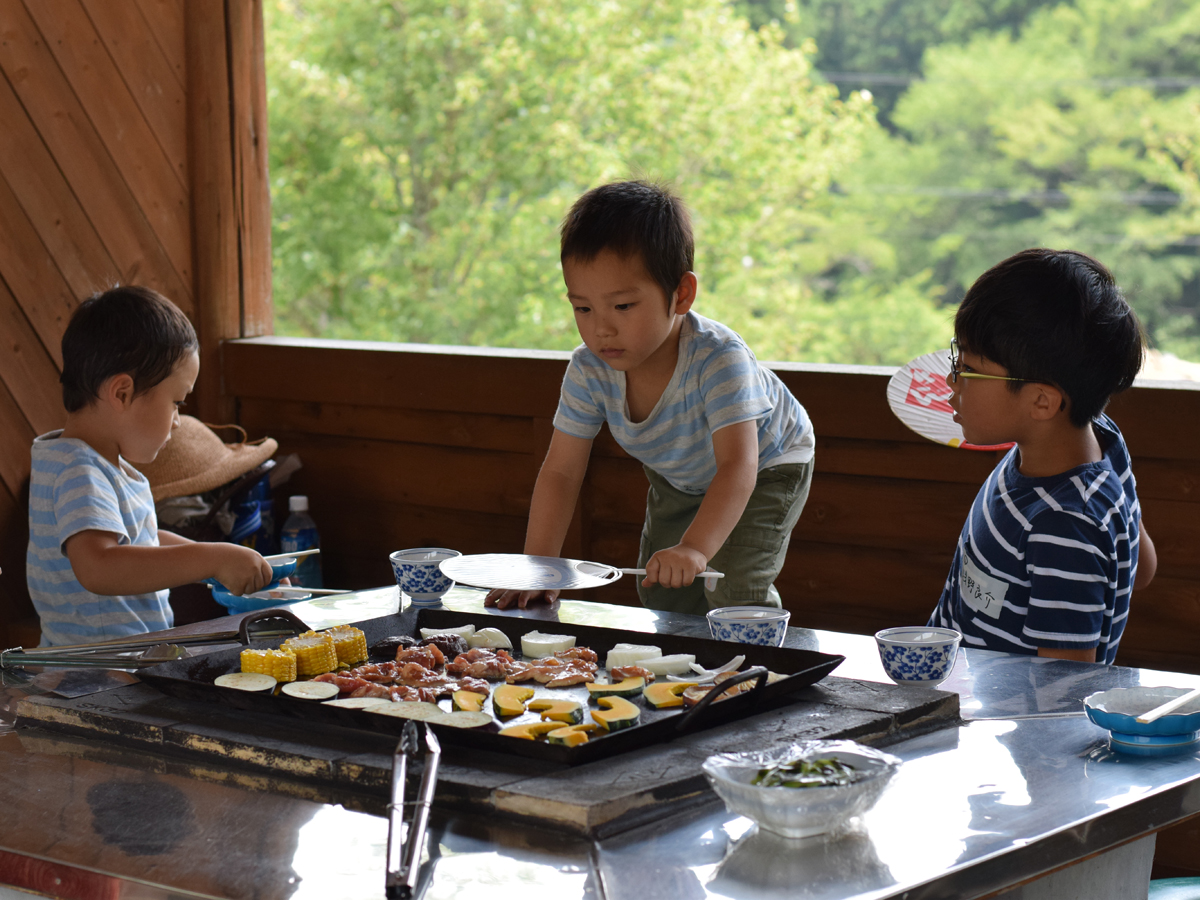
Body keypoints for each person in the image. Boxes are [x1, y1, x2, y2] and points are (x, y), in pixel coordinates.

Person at [487, 181, 815, 614]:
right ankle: (682, 681)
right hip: (683, 474)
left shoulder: (719, 360)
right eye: (583, 308)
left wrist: (696, 548)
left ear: (681, 295)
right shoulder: (589, 369)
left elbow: (739, 466)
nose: (601, 328)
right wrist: (539, 570)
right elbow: (562, 473)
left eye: (622, 306)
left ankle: (759, 672)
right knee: (663, 590)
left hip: (767, 464)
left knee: (733, 590)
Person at [928, 249, 1157, 663]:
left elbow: (1062, 687)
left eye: (967, 368)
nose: (951, 379)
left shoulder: (1064, 524)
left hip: (999, 721)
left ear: (1041, 402)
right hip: (960, 688)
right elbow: (1141, 568)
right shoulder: (1098, 437)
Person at [26, 287, 273, 646]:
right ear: (122, 393)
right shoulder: (79, 471)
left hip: (120, 663)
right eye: (176, 402)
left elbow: (143, 541)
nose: (176, 420)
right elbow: (99, 567)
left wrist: (224, 564)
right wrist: (212, 559)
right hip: (95, 677)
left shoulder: (97, 465)